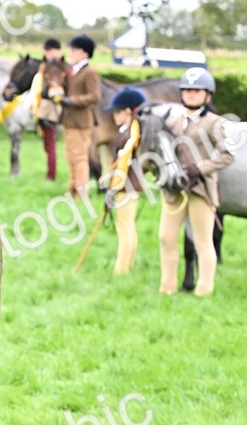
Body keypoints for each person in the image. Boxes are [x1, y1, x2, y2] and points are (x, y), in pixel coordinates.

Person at [156, 67, 234, 297]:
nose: (190, 94)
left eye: (196, 91)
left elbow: (227, 155)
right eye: (187, 90)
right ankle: (167, 286)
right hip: (175, 189)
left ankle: (204, 289)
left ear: (207, 96)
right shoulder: (172, 121)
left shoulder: (215, 123)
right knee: (166, 236)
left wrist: (199, 169)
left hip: (201, 189)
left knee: (202, 240)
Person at [99, 88, 146, 274]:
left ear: (128, 112)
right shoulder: (129, 132)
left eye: (117, 112)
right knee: (128, 226)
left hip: (125, 186)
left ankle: (121, 269)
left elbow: (123, 163)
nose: (114, 116)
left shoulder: (129, 135)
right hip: (131, 185)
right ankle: (129, 264)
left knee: (124, 227)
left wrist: (113, 188)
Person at [54, 34, 101, 197]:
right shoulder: (72, 70)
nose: (71, 52)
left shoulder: (90, 72)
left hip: (81, 122)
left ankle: (81, 193)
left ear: (85, 53)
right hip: (69, 121)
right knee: (70, 157)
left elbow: (95, 96)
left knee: (80, 158)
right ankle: (72, 189)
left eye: (74, 50)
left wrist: (70, 100)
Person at [31, 38, 67, 181]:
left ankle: (51, 175)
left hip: (51, 110)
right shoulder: (46, 66)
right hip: (43, 108)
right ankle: (50, 173)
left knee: (50, 144)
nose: (47, 54)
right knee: (48, 144)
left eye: (49, 51)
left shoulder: (58, 67)